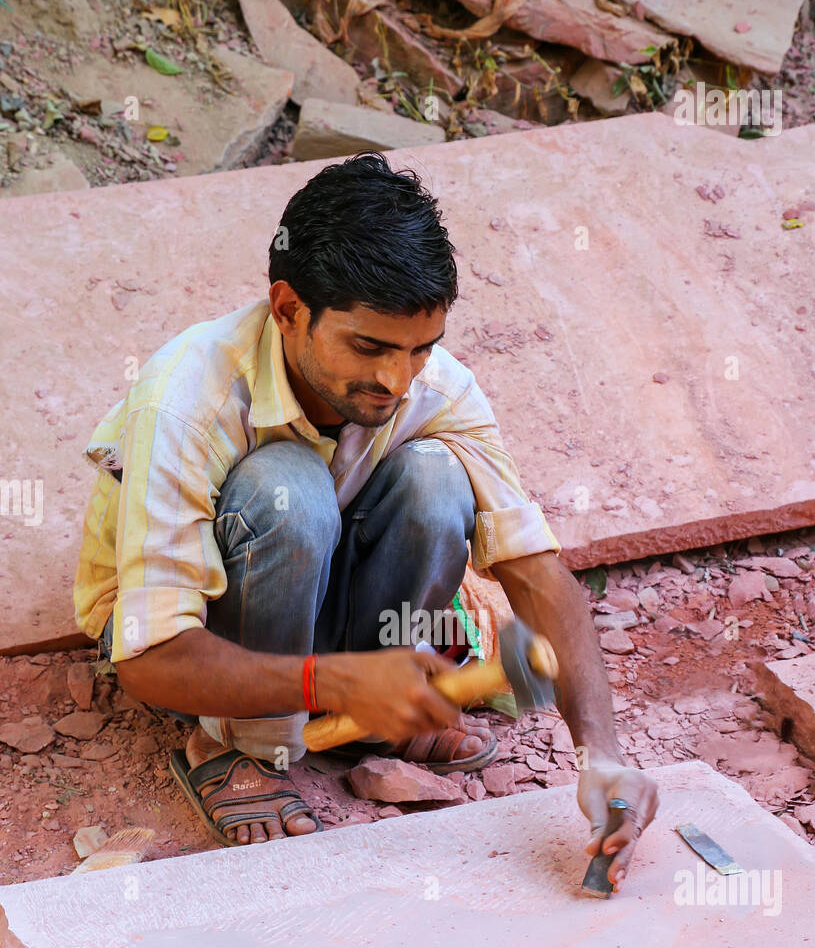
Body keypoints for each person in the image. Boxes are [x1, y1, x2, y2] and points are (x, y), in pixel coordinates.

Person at [73, 153, 657, 886]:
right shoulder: (187, 398)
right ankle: (243, 748)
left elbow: (538, 575)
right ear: (288, 309)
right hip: (182, 629)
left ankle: (373, 720)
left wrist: (602, 754)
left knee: (439, 478)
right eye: (369, 347)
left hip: (311, 598)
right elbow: (148, 657)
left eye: (420, 349)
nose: (395, 379)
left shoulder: (434, 387)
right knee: (286, 490)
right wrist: (340, 683)